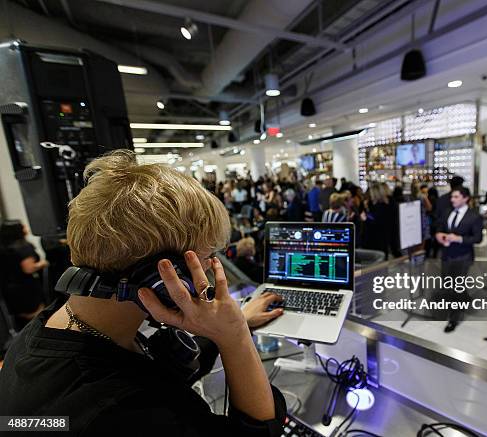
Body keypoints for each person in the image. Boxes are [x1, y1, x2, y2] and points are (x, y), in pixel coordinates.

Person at [0, 151, 287, 435]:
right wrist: (235, 335)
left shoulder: (44, 330)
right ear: (163, 276)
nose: (210, 271)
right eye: (207, 257)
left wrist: (236, 322)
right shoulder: (128, 413)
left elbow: (151, 373)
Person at [435, 187, 483, 333]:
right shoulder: (447, 212)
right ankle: (464, 300)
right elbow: (439, 227)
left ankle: (454, 318)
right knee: (447, 284)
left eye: (456, 197)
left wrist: (459, 238)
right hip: (447, 254)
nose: (452, 200)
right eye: (452, 197)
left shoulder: (474, 216)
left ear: (465, 198)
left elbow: (478, 238)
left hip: (463, 256)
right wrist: (439, 235)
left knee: (456, 287)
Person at [0, 220, 48, 331]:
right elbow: (29, 268)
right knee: (36, 320)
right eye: (23, 226)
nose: (26, 227)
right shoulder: (23, 246)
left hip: (9, 290)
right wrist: (44, 263)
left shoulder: (3, 248)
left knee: (21, 323)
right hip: (26, 289)